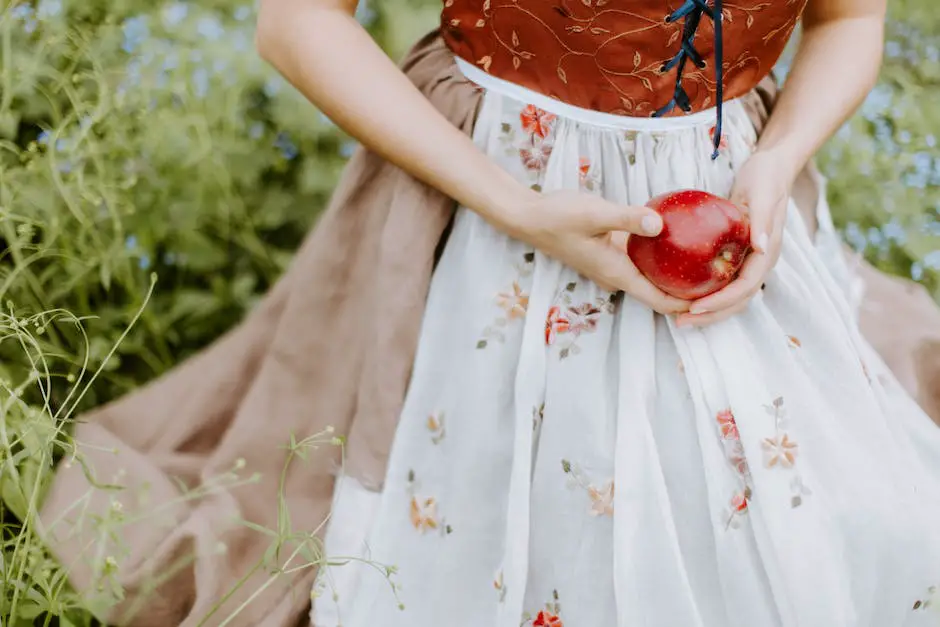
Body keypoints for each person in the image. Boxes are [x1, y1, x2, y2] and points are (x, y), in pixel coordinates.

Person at [252, 0, 940, 624]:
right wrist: (516, 205)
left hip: (725, 186)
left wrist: (780, 157)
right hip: (490, 182)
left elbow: (849, 19)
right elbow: (296, 20)